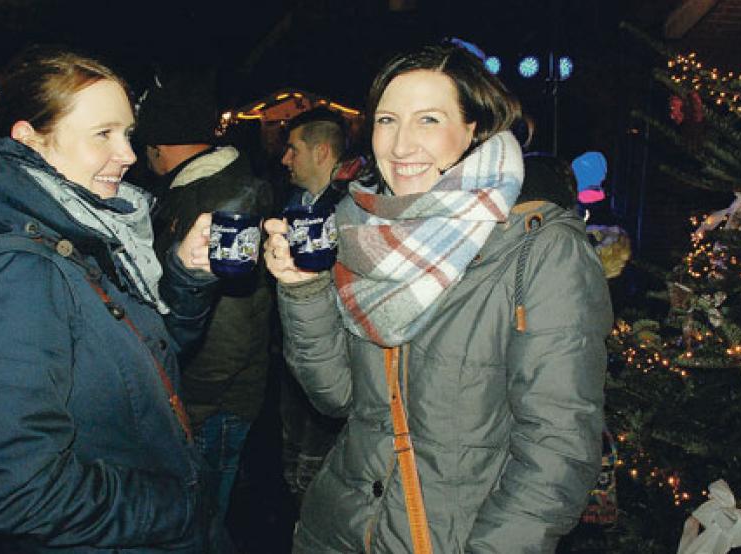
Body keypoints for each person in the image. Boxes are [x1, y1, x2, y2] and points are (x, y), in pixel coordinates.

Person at [263, 43, 613, 553]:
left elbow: (557, 448)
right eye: (387, 119)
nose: (401, 145)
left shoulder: (539, 247)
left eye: (428, 119)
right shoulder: (357, 226)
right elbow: (337, 397)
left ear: (474, 128)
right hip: (338, 529)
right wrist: (303, 289)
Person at [0, 48, 223, 553]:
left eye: (127, 133)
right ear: (29, 139)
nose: (130, 154)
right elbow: (18, 491)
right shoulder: (18, 269)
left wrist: (187, 276)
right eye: (103, 134)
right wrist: (175, 507)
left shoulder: (86, 231)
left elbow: (154, 357)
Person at [136, 66, 274, 536]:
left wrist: (189, 405)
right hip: (207, 396)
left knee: (202, 522)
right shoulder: (193, 190)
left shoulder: (213, 202)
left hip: (214, 404)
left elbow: (231, 331)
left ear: (159, 144)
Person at [278, 106, 356, 502]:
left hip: (339, 392)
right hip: (300, 380)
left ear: (322, 152)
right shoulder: (296, 205)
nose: (284, 159)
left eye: (292, 149)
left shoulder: (354, 213)